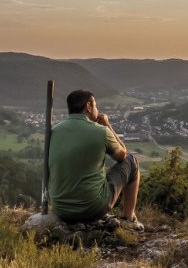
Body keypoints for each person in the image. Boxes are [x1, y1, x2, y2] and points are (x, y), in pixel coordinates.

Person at [48, 89, 143, 230]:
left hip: (61, 209)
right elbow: (122, 155)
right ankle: (130, 218)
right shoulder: (101, 131)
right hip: (93, 208)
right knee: (131, 161)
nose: (97, 109)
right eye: (96, 105)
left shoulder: (54, 131)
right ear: (88, 106)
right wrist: (107, 125)